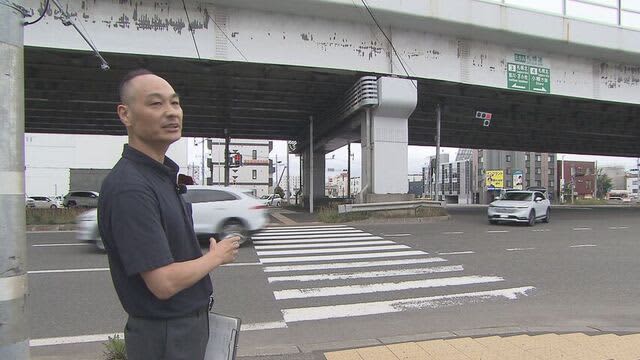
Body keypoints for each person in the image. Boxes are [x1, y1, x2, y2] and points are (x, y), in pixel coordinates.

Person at [98, 69, 239, 360]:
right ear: (126, 114)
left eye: (175, 103)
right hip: (166, 335)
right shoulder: (131, 187)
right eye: (155, 104)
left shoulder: (160, 176)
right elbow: (163, 283)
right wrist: (215, 257)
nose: (171, 112)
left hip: (183, 328)